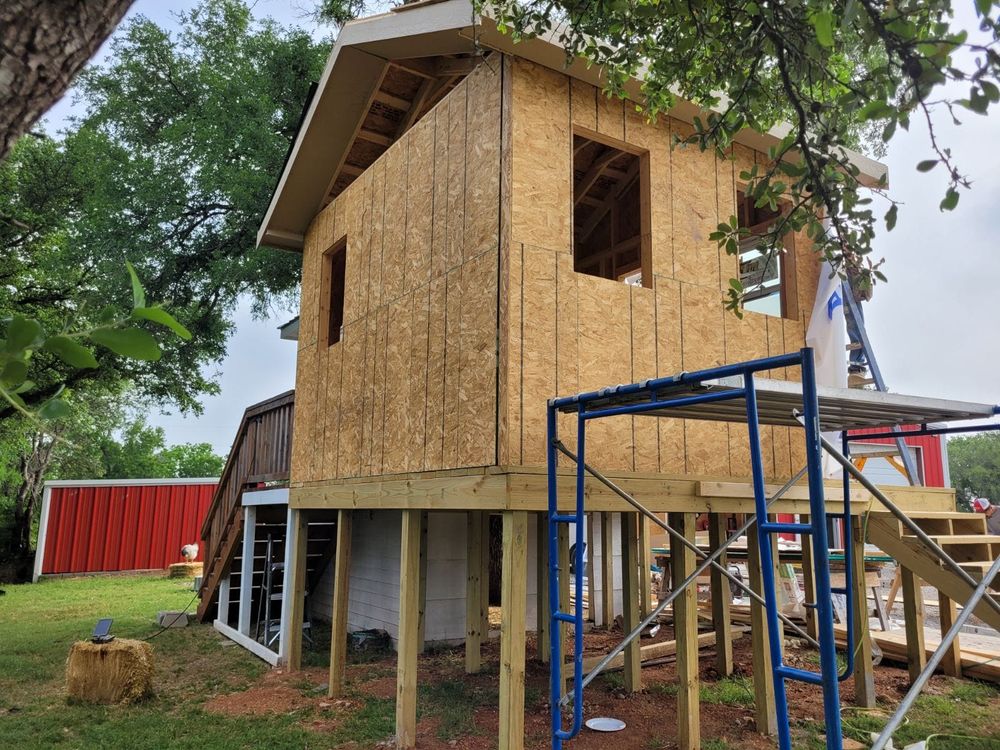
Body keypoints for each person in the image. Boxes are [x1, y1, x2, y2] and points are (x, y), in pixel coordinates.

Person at [844, 264, 872, 375]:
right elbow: (858, 296)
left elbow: (863, 295)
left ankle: (856, 366)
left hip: (849, 302)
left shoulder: (850, 270)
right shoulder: (847, 271)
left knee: (856, 331)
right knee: (857, 332)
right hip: (850, 302)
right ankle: (856, 366)